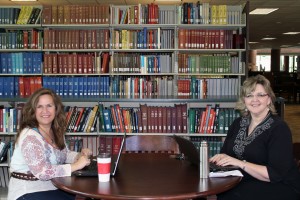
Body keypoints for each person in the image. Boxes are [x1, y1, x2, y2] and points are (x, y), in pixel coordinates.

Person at [210, 75, 300, 200]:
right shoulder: (238, 123)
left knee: (233, 195)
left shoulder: (279, 128)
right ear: (244, 100)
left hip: (280, 185)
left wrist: (240, 163)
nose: (254, 99)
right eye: (249, 95)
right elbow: (226, 154)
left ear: (269, 99)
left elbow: (274, 174)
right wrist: (220, 159)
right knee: (223, 191)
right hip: (247, 179)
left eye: (260, 95)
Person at [8, 88, 92, 200]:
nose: (45, 111)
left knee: (85, 195)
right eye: (40, 106)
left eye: (49, 106)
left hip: (52, 186)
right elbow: (42, 172)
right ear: (33, 110)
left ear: (56, 109)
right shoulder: (30, 137)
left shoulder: (55, 130)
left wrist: (79, 156)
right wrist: (76, 166)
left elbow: (64, 154)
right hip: (28, 190)